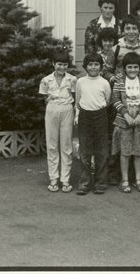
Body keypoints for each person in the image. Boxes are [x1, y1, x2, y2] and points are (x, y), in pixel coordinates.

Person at [110, 52, 140, 193]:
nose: (133, 70)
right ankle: (125, 180)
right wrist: (125, 114)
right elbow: (115, 99)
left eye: (136, 67)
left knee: (138, 151)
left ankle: (138, 179)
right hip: (125, 120)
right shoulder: (119, 80)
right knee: (125, 151)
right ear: (124, 68)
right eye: (129, 67)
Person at [38, 51, 77, 192]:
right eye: (59, 64)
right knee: (52, 145)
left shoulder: (72, 79)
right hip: (52, 110)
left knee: (66, 146)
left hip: (67, 109)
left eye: (65, 64)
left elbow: (74, 97)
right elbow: (44, 99)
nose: (62, 67)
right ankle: (53, 179)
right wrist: (53, 108)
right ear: (53, 64)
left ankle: (65, 180)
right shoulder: (46, 80)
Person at [74, 52, 112, 194]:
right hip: (85, 116)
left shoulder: (104, 82)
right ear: (85, 66)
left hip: (100, 116)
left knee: (101, 150)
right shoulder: (80, 82)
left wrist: (98, 110)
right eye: (90, 64)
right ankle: (84, 182)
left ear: (101, 66)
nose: (93, 67)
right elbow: (78, 100)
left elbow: (107, 101)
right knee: (85, 150)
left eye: (96, 64)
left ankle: (100, 182)